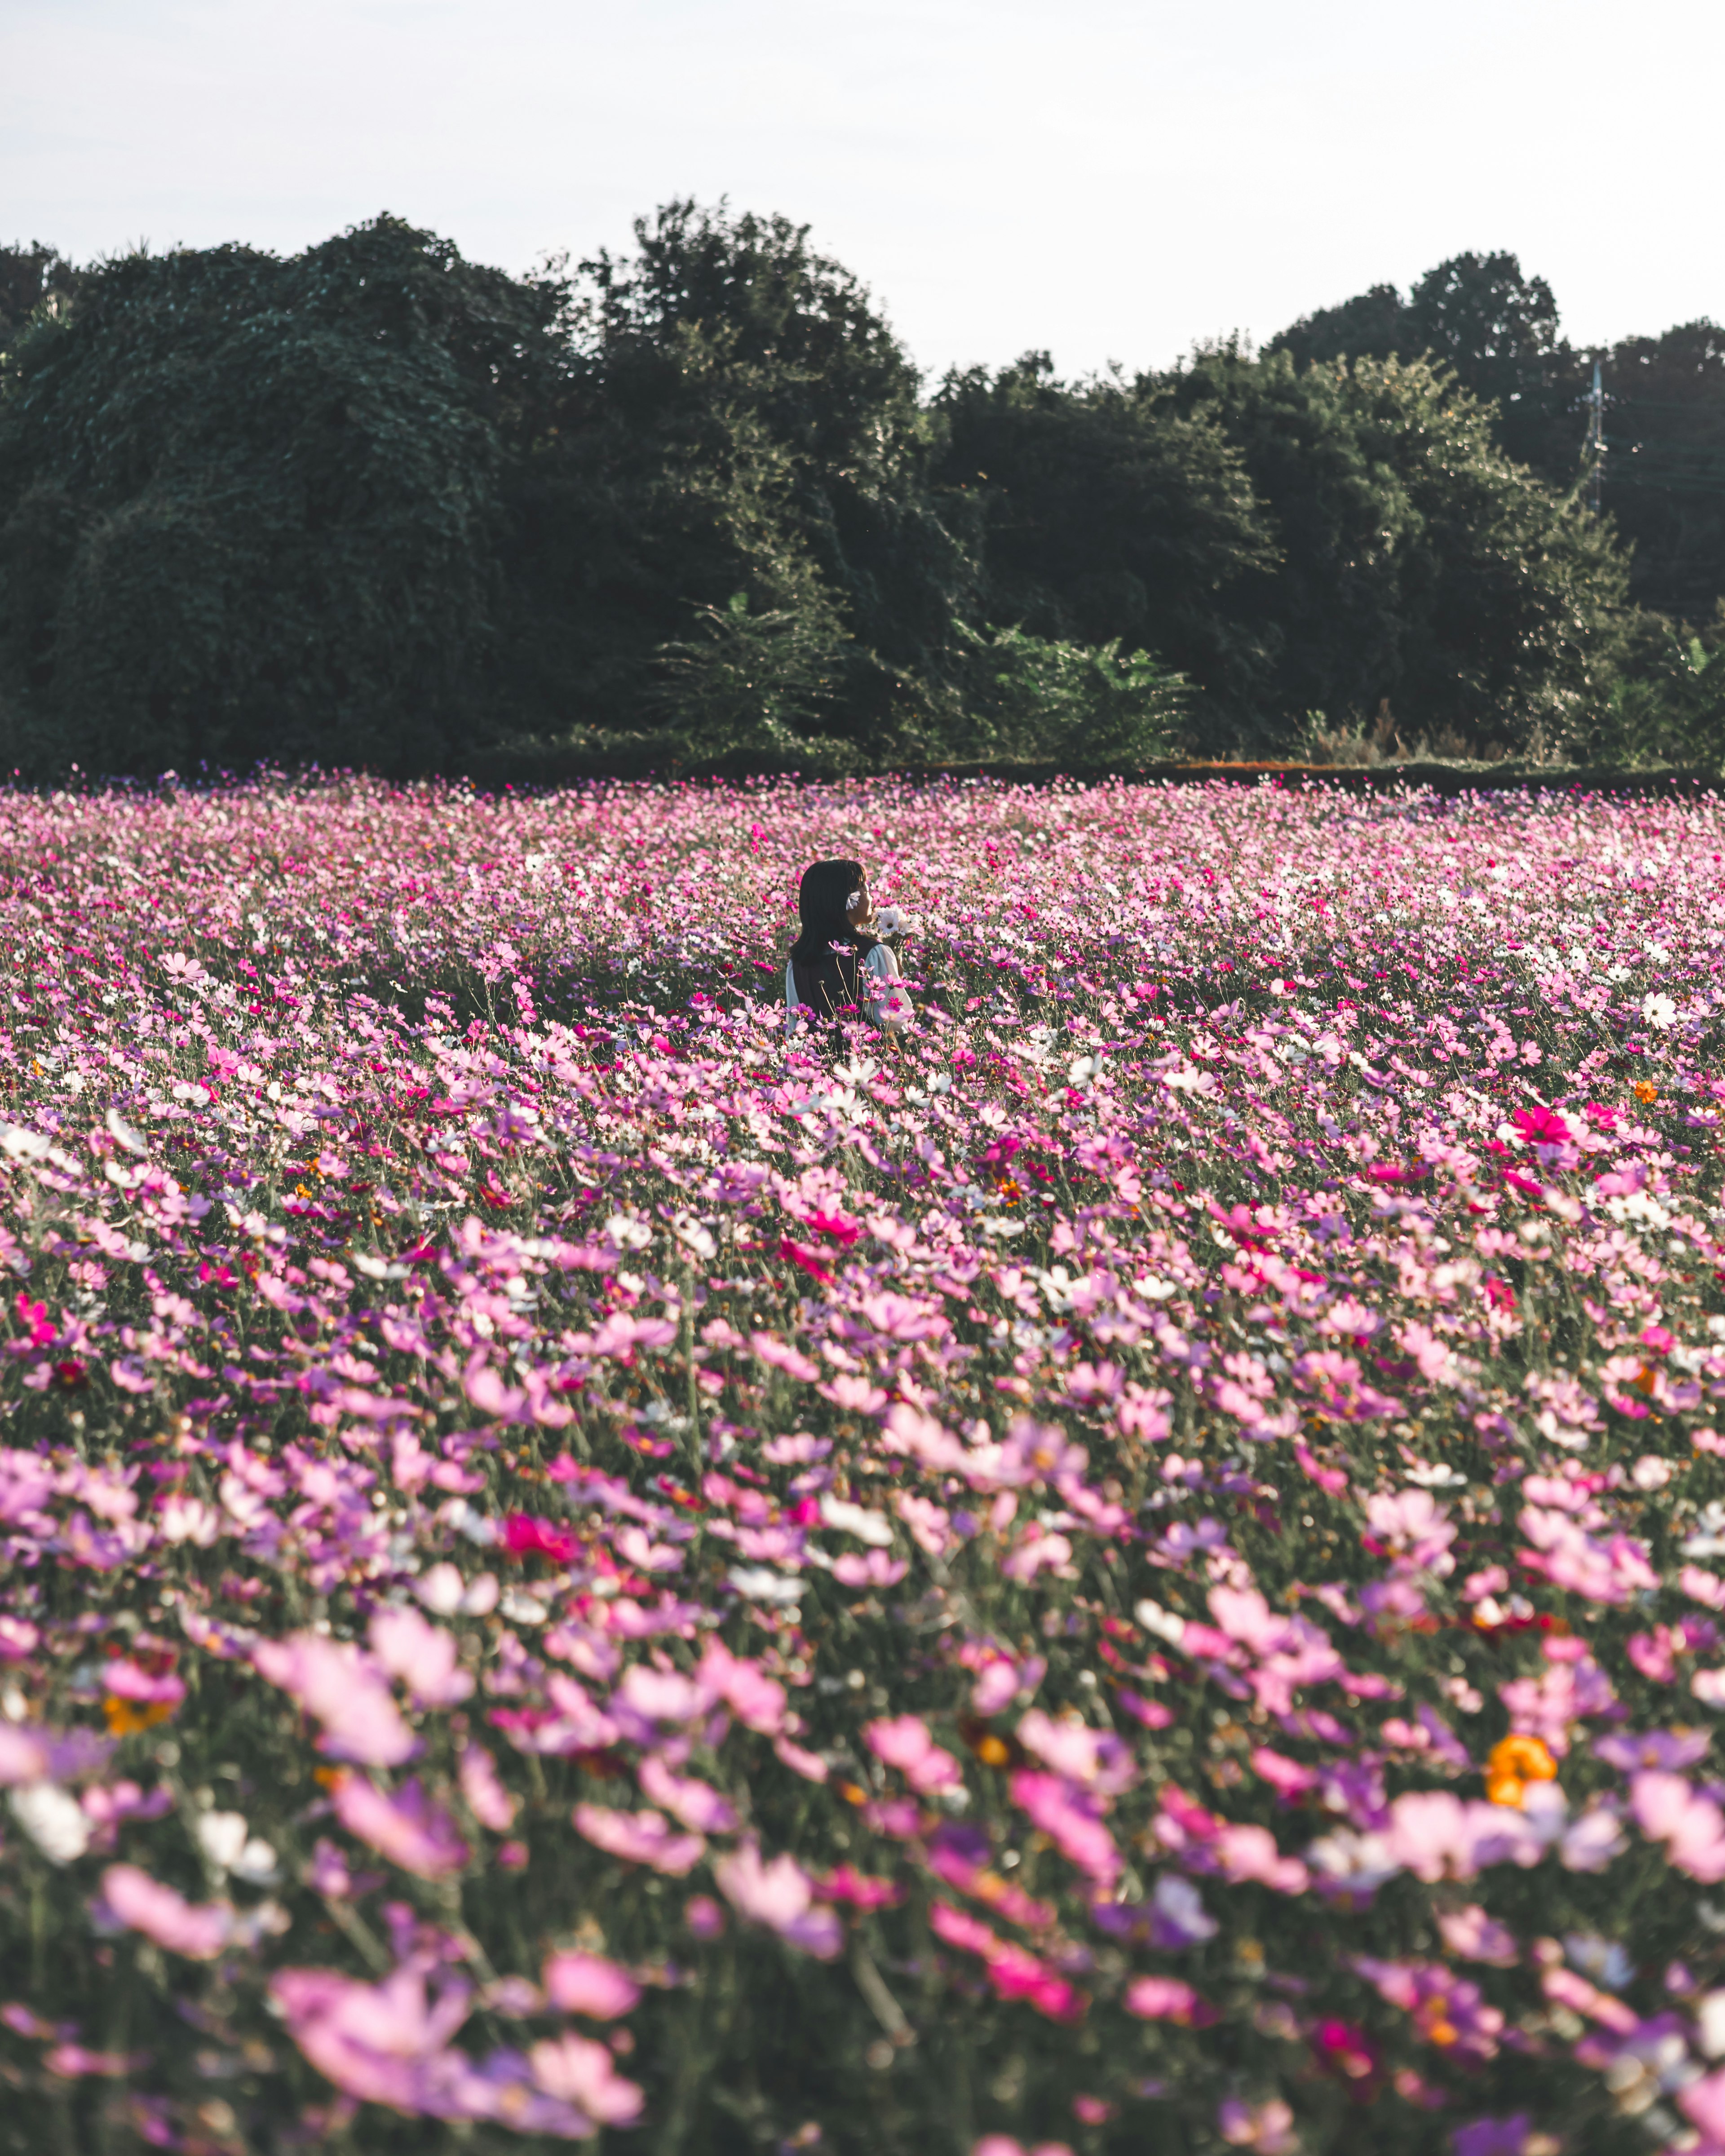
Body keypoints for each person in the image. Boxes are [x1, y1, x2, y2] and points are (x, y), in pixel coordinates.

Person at [785, 859, 911, 1040]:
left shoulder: (797, 962)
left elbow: (795, 1026)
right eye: (866, 891)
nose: (871, 898)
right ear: (849, 900)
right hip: (866, 1060)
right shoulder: (872, 954)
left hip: (817, 1062)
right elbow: (897, 1023)